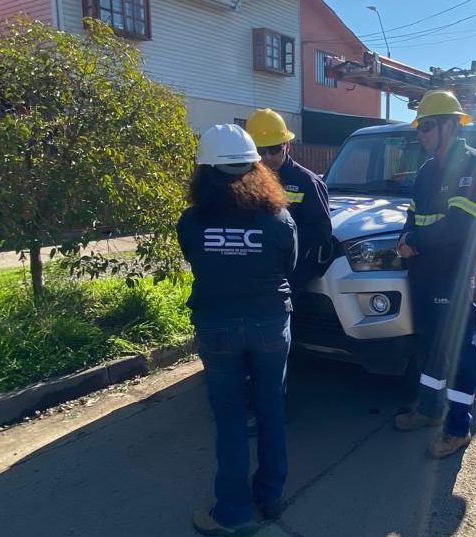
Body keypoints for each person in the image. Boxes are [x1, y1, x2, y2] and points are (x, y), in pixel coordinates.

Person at [176, 124, 297, 536]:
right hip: (269, 322)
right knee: (271, 410)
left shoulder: (191, 221)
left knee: (229, 417)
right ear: (255, 168)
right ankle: (270, 496)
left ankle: (232, 512)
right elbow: (288, 266)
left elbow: (196, 259)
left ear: (204, 172)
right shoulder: (279, 218)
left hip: (218, 325)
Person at [392, 91, 476, 459]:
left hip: (454, 275)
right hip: (424, 275)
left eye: (428, 126)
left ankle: (458, 427)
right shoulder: (426, 170)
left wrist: (415, 241)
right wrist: (405, 236)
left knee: (460, 350)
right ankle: (430, 409)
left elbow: (460, 227)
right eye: (419, 127)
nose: (421, 134)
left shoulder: (472, 165)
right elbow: (413, 213)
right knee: (431, 344)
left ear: (450, 126)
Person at [245, 108, 332, 290]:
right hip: (252, 271)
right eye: (261, 150)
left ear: (287, 145)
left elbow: (322, 232)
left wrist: (282, 237)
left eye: (275, 149)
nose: (267, 157)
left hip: (290, 275)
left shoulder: (307, 182)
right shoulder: (243, 180)